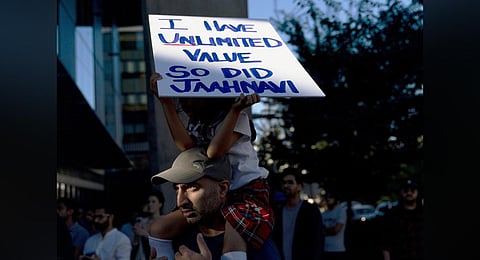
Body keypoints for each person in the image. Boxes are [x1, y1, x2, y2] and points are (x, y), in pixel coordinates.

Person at [149, 73, 274, 259]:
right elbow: (187, 147)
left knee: (234, 232)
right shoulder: (198, 123)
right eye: (182, 98)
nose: (184, 104)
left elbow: (214, 152)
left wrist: (234, 110)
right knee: (159, 227)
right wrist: (165, 102)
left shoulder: (239, 119)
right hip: (214, 191)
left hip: (245, 190)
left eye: (192, 98)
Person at [149, 147, 281, 260]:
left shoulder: (255, 245)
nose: (180, 201)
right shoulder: (176, 238)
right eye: (177, 189)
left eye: (192, 187)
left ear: (222, 189)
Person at [271, 168, 325, 260]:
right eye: (284, 183)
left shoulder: (310, 210)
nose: (286, 185)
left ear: (299, 186)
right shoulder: (277, 212)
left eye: (290, 182)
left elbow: (318, 240)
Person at [379, 179, 424, 260]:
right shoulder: (392, 215)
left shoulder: (423, 214)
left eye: (412, 190)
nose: (409, 193)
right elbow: (385, 243)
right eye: (406, 190)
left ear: (417, 192)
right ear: (401, 192)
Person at [131, 191, 165, 260]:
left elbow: (162, 244)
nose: (150, 204)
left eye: (153, 202)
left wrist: (145, 235)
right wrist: (136, 235)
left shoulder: (164, 221)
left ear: (160, 204)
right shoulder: (142, 221)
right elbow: (135, 245)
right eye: (149, 202)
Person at [322, 190, 348, 260]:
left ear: (335, 198)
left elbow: (336, 230)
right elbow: (319, 230)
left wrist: (325, 231)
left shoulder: (341, 211)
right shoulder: (324, 214)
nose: (328, 199)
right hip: (325, 250)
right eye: (327, 197)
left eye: (330, 197)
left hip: (338, 250)